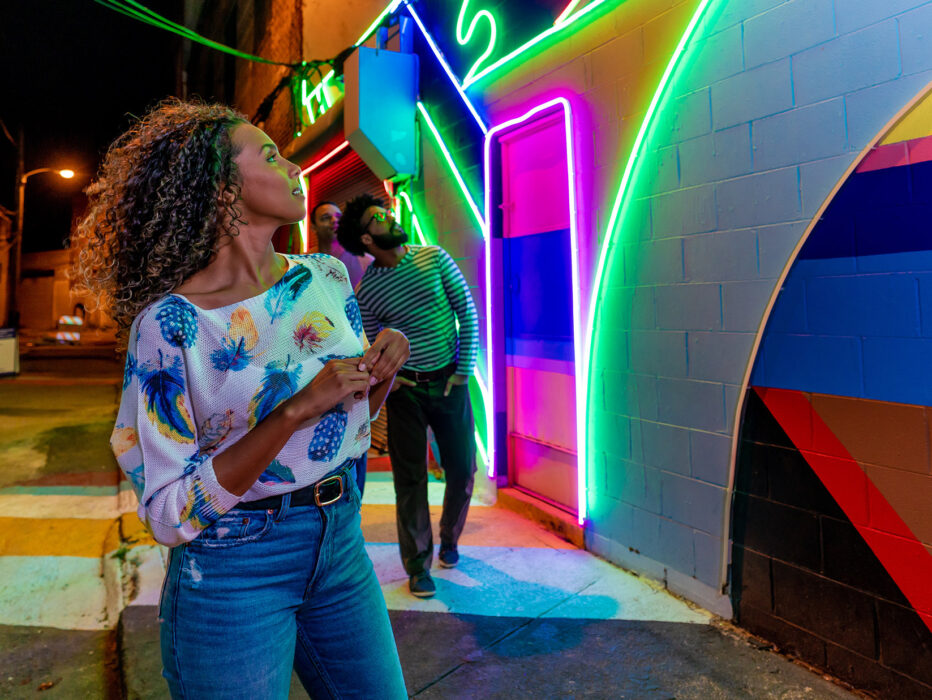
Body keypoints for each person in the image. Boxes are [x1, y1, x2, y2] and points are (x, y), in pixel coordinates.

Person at [73, 99, 409, 699]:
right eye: (272, 155)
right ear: (223, 190)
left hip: (341, 541)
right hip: (233, 568)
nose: (294, 168)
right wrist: (294, 410)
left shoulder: (326, 280)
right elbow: (170, 512)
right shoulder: (170, 326)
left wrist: (382, 365)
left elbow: (352, 420)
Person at [336, 193, 478, 599]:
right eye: (379, 216)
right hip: (406, 394)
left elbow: (465, 310)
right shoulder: (369, 290)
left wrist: (464, 371)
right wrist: (391, 382)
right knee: (410, 480)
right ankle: (418, 566)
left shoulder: (433, 257)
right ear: (366, 239)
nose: (389, 216)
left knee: (462, 470)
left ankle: (450, 538)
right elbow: (363, 341)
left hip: (449, 383)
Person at [310, 201, 371, 288]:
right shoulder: (305, 262)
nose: (335, 220)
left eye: (339, 217)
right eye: (326, 217)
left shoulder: (365, 262)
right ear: (314, 228)